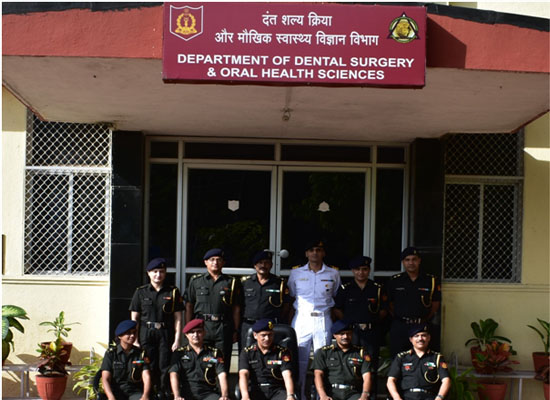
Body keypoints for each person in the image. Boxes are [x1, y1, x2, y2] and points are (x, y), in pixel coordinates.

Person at [288, 239, 341, 400]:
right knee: (299, 359)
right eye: (311, 250)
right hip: (302, 319)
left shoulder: (333, 273)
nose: (315, 253)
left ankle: (321, 395)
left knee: (322, 359)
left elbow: (335, 295)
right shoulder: (296, 273)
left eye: (318, 250)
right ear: (306, 253)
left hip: (323, 320)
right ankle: (300, 394)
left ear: (323, 253)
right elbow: (292, 295)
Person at [333, 255, 387, 399]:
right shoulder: (346, 288)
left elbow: (383, 310)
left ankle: (370, 396)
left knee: (371, 365)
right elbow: (337, 309)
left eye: (364, 269)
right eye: (357, 269)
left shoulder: (377, 288)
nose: (361, 272)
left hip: (370, 332)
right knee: (351, 364)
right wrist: (347, 324)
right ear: (352, 271)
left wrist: (372, 322)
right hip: (352, 333)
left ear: (369, 270)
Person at [129, 258, 184, 397]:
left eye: (161, 271)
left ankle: (163, 391)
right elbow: (134, 317)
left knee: (164, 364)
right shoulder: (140, 292)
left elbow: (178, 318)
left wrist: (177, 339)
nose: (158, 275)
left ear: (165, 273)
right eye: (155, 271)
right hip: (146, 332)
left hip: (165, 332)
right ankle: (149, 392)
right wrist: (135, 338)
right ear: (148, 273)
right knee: (148, 363)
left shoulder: (172, 292)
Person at [184, 248, 242, 372]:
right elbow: (189, 305)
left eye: (218, 260)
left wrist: (235, 330)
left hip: (223, 327)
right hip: (202, 327)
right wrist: (188, 328)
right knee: (202, 360)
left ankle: (222, 385)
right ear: (206, 262)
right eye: (212, 260)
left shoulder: (231, 282)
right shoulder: (196, 281)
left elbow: (236, 309)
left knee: (222, 361)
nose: (215, 262)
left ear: (223, 263)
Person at [386, 247, 441, 356]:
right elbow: (390, 304)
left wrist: (424, 319)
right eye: (407, 260)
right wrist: (401, 317)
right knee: (398, 357)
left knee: (423, 358)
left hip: (422, 326)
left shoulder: (430, 281)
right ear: (403, 262)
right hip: (401, 326)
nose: (411, 263)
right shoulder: (395, 281)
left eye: (414, 259)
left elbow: (435, 304)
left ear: (419, 261)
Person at [240, 250, 291, 348]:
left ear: (271, 265)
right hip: (248, 325)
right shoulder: (245, 283)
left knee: (270, 353)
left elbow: (286, 306)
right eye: (260, 263)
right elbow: (239, 305)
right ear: (255, 265)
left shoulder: (279, 283)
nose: (263, 265)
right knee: (246, 353)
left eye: (266, 263)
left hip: (270, 327)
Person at [169, 319, 230, 400]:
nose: (195, 335)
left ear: (204, 333)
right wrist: (177, 396)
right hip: (186, 394)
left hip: (208, 394)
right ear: (186, 335)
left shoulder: (214, 353)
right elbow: (173, 374)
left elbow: (222, 374)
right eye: (192, 332)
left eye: (199, 331)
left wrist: (225, 395)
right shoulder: (179, 353)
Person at [312, 320, 372, 400]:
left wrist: (364, 395)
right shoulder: (324, 353)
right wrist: (323, 396)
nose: (345, 336)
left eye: (348, 333)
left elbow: (367, 376)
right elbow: (318, 374)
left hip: (353, 393)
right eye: (342, 334)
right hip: (331, 392)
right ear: (334, 335)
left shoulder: (361, 353)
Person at [386, 324, 450, 400]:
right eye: (416, 336)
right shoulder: (402, 357)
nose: (420, 338)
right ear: (411, 339)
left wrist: (439, 398)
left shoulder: (437, 358)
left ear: (429, 338)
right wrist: (397, 398)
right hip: (406, 397)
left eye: (423, 335)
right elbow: (391, 380)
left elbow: (446, 380)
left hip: (429, 397)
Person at [238, 318, 297, 400]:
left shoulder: (282, 352)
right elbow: (243, 374)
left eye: (270, 335)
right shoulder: (247, 352)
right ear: (255, 335)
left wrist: (290, 395)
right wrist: (245, 396)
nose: (267, 338)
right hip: (256, 390)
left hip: (276, 390)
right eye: (263, 335)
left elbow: (287, 374)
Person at [101, 320, 152, 400]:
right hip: (116, 392)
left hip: (134, 392)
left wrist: (145, 396)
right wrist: (111, 397)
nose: (132, 336)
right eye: (128, 333)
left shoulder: (141, 354)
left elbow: (146, 376)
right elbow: (105, 378)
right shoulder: (111, 354)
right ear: (120, 336)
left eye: (134, 332)